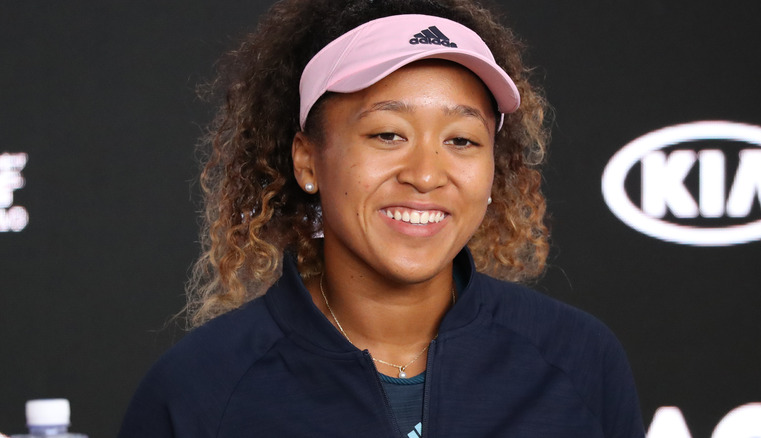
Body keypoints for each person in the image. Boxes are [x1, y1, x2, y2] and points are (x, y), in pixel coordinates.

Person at [119, 0, 646, 436]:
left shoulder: (578, 360)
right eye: (387, 134)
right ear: (308, 161)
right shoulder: (198, 390)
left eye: (461, 140)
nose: (425, 174)